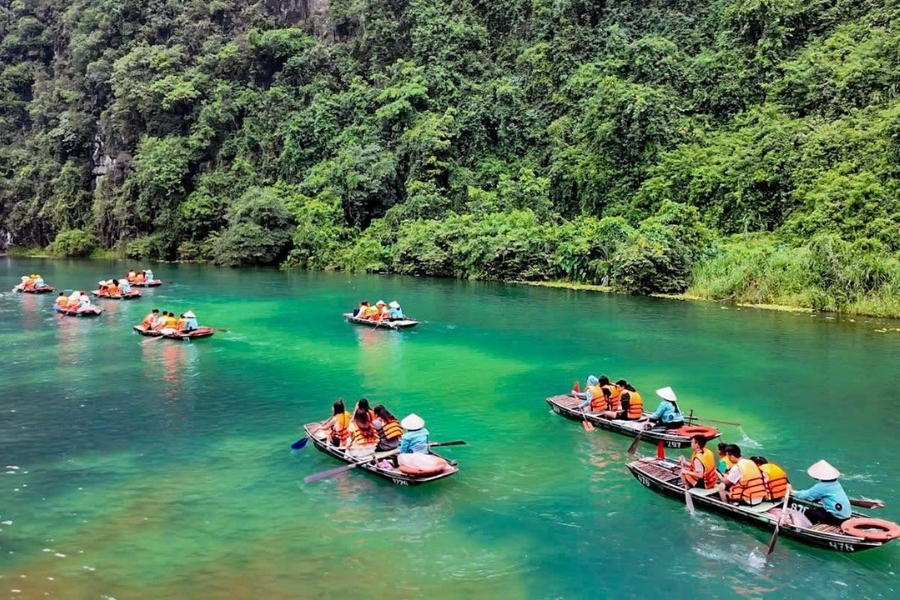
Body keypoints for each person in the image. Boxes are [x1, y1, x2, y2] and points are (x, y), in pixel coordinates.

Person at [792, 460, 851, 526]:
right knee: (819, 509)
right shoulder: (836, 483)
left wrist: (792, 492)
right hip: (846, 515)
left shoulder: (823, 486)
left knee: (808, 512)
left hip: (837, 518)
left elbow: (806, 495)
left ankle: (810, 527)